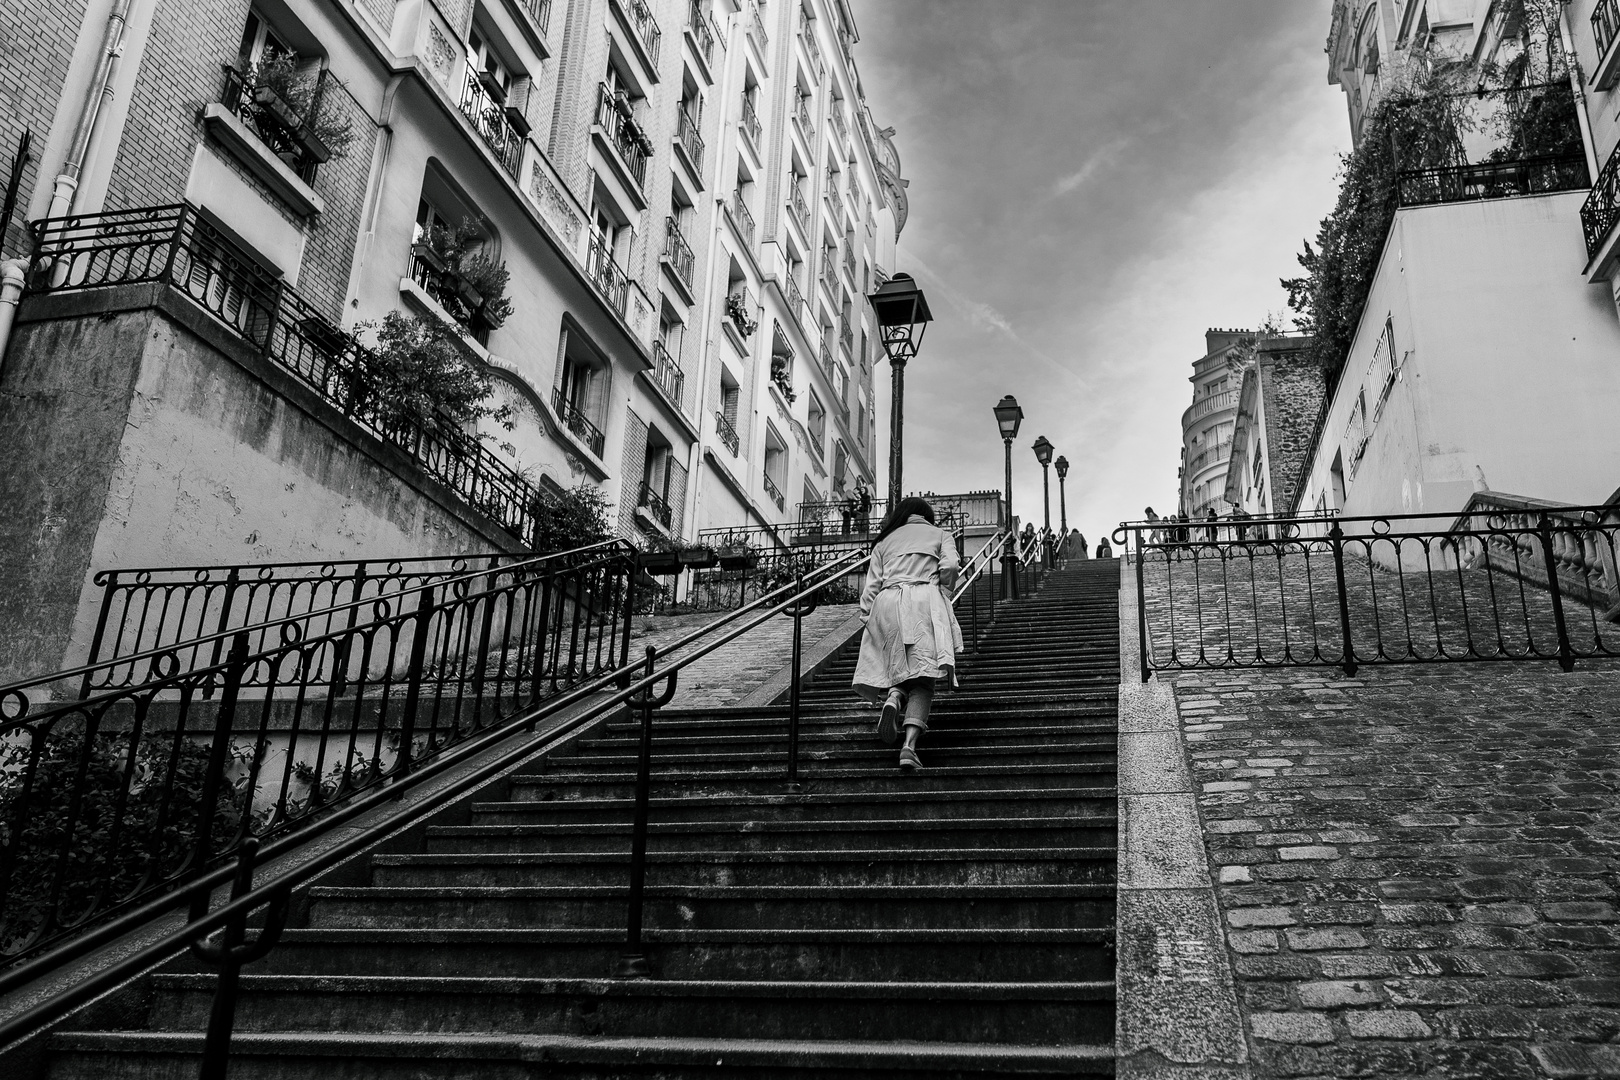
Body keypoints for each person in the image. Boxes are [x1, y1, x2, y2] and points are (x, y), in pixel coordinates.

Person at [852, 497, 963, 771]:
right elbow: (950, 567)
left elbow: (870, 590)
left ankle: (894, 697)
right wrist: (943, 591)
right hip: (924, 600)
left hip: (887, 603)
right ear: (926, 516)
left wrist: (871, 619)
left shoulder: (884, 541)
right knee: (924, 678)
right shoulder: (939, 534)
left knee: (900, 669)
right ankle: (909, 747)